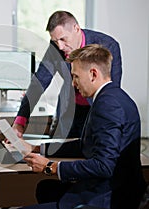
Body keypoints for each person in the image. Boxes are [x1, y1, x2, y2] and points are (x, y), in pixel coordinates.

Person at [23, 44, 146, 209]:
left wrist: (50, 166)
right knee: (45, 188)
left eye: (75, 77)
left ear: (93, 74)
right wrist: (40, 149)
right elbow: (86, 145)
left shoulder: (107, 105)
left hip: (108, 198)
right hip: (117, 188)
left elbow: (104, 166)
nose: (73, 84)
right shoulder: (114, 96)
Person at [13, 11, 122, 140]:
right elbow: (39, 82)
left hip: (95, 109)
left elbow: (111, 89)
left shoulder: (107, 45)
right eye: (55, 40)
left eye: (63, 39)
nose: (60, 46)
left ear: (76, 28)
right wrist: (20, 120)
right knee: (61, 150)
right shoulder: (56, 47)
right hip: (69, 108)